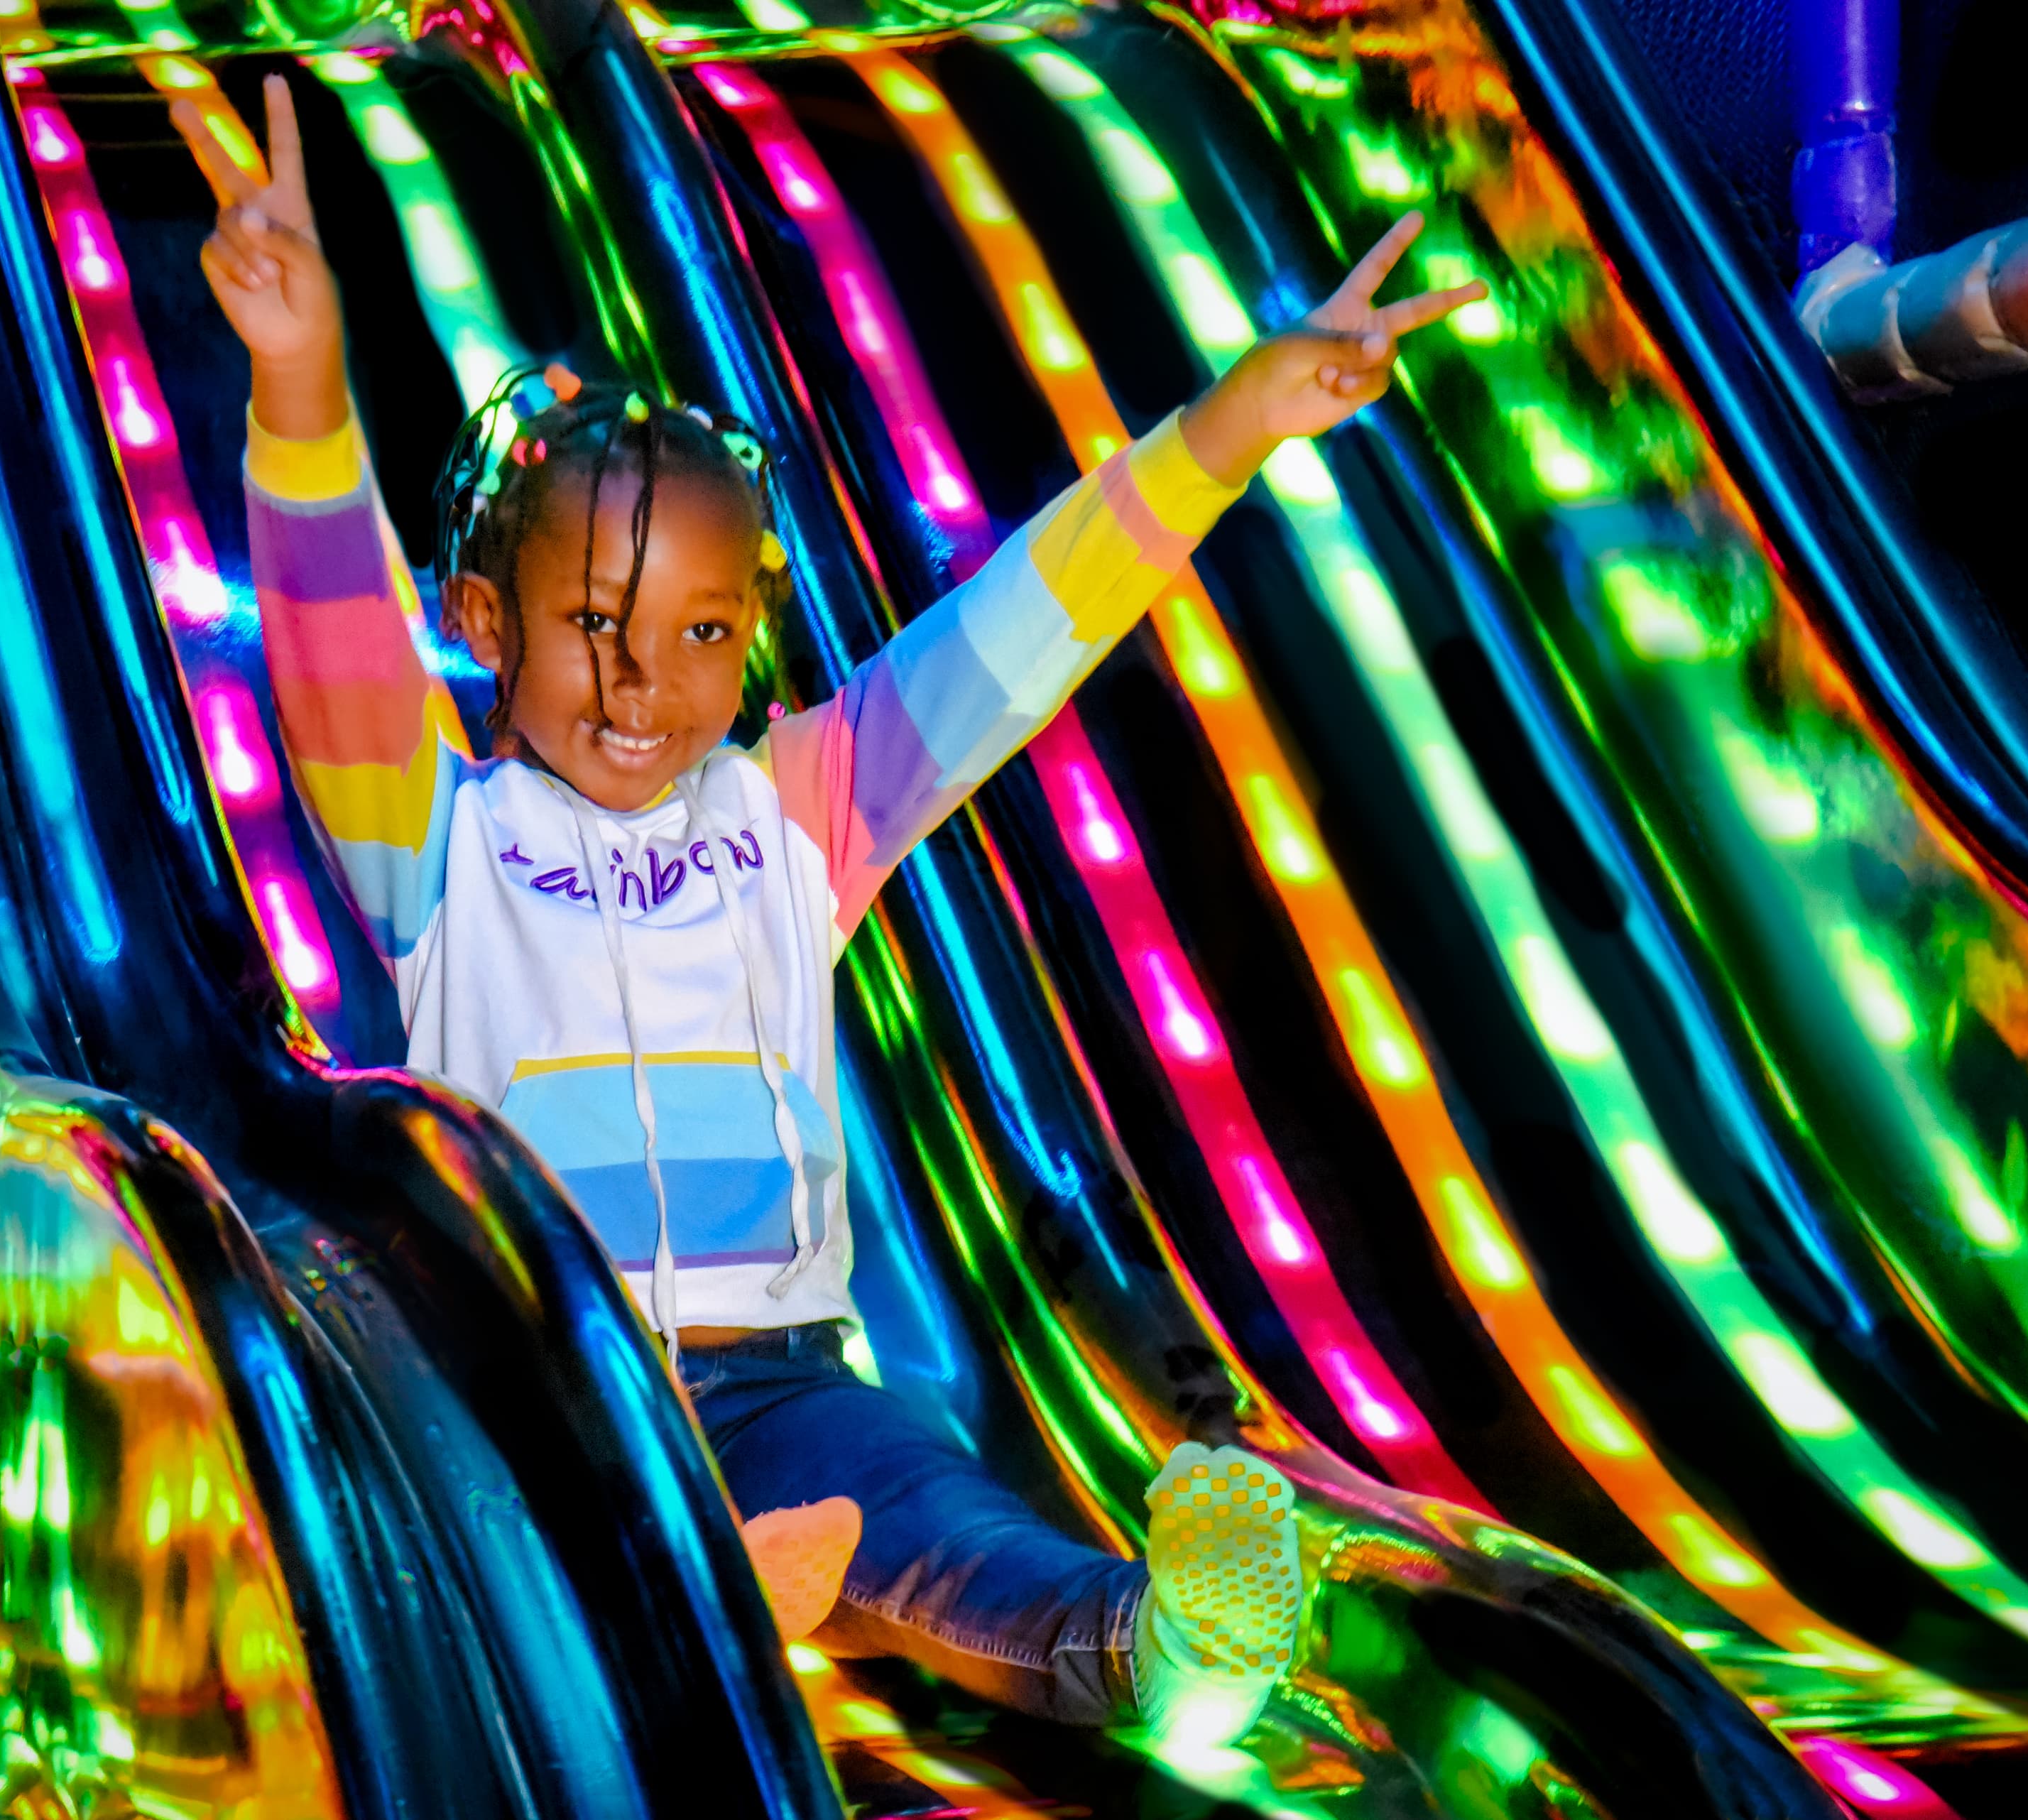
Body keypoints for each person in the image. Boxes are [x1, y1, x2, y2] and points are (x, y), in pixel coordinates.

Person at [171, 74, 1478, 1743]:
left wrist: (1233, 425)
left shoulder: (796, 813)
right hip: (552, 1393)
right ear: (487, 618)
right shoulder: (441, 840)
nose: (650, 681)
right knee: (474, 1522)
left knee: (936, 1518)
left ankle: (1163, 1649)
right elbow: (334, 652)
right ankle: (697, 1586)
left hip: (785, 1379)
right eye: (595, 624)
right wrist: (298, 383)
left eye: (704, 632)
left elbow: (1019, 631)